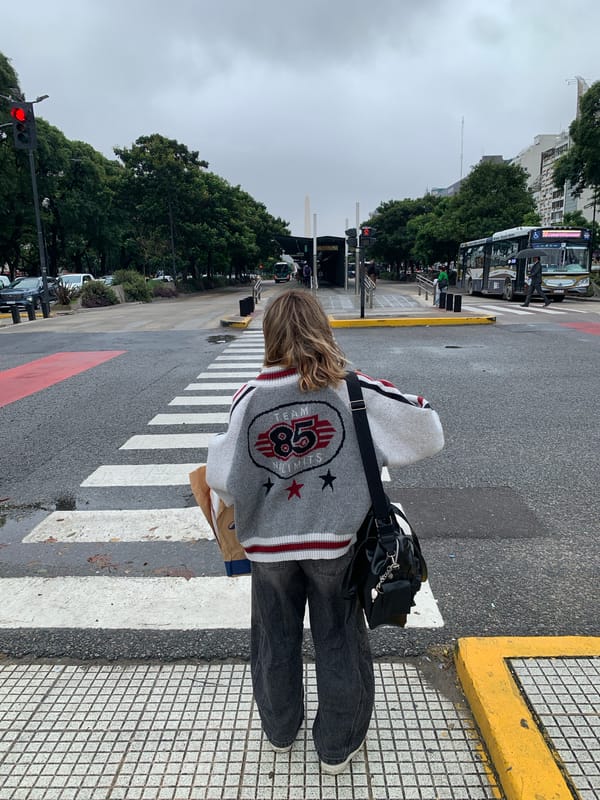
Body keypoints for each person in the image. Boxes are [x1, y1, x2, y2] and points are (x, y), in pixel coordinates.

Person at [206, 289, 444, 774]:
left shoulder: (249, 397)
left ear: (270, 336)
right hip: (336, 543)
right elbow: (427, 429)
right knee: (337, 636)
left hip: (268, 549)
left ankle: (279, 730)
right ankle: (336, 744)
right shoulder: (352, 389)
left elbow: (220, 477)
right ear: (323, 329)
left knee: (275, 636)